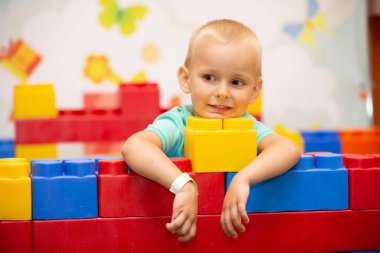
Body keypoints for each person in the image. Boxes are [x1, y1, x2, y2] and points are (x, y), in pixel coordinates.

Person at [122, 19, 301, 242]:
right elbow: (134, 146)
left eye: (236, 82)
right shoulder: (178, 122)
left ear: (255, 90)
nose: (223, 92)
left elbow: (289, 149)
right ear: (186, 79)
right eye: (209, 78)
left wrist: (243, 178)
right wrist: (183, 186)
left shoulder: (248, 126)